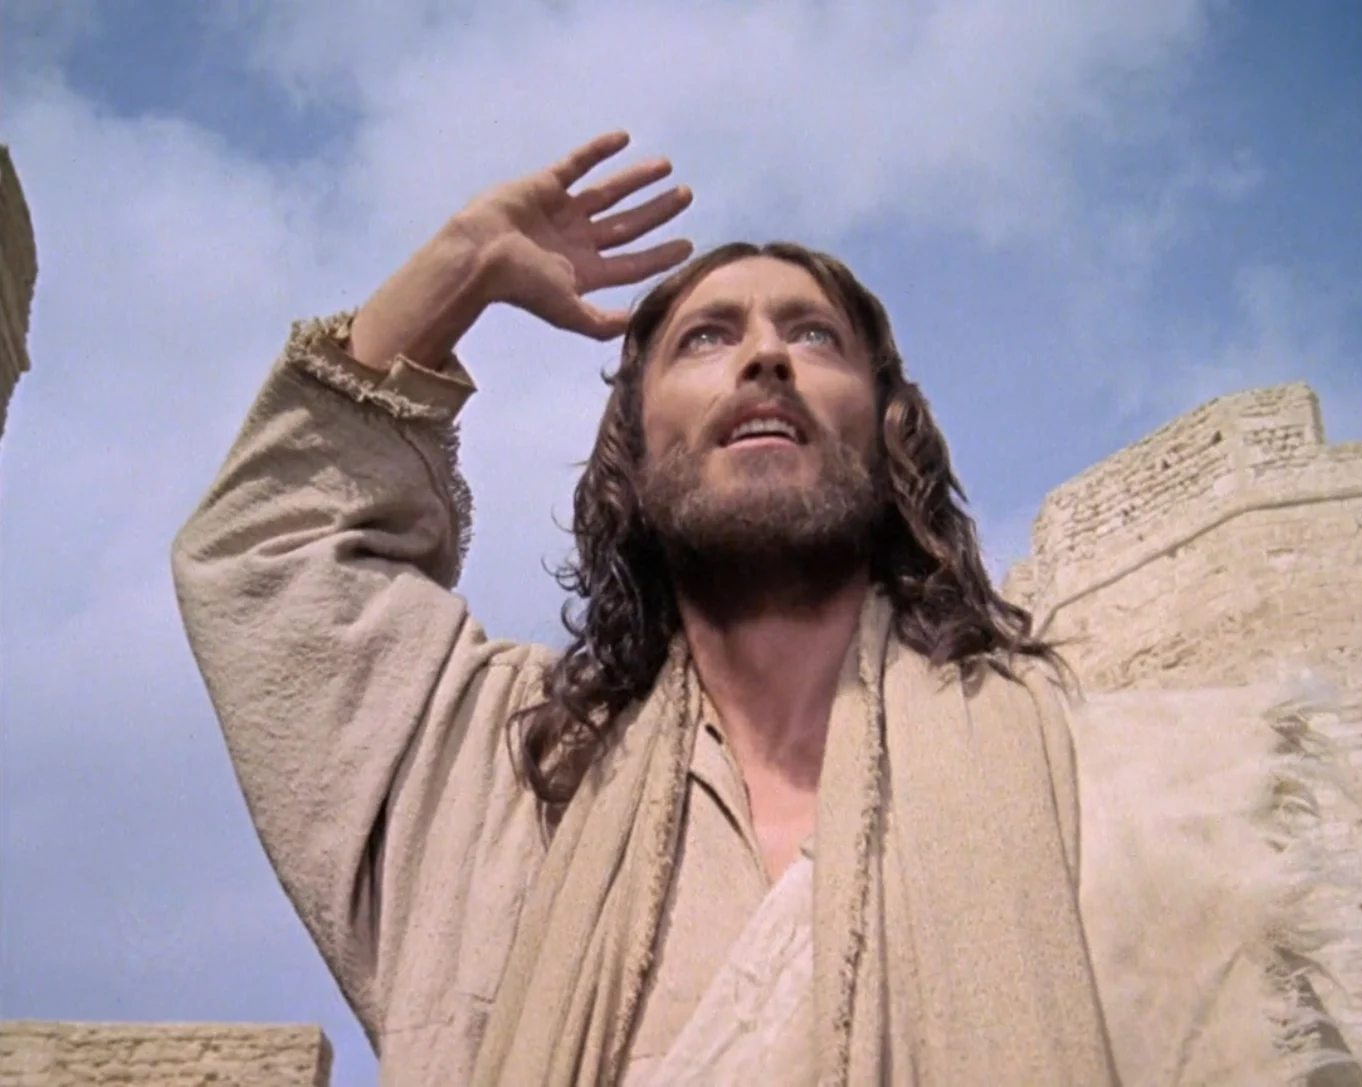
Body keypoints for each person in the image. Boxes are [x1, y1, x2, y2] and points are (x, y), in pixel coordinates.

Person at [174, 131, 1148, 1085]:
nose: (765, 357)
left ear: (887, 431)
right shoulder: (501, 779)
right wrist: (461, 263)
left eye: (812, 335)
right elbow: (274, 554)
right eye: (707, 337)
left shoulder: (1073, 766)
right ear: (632, 457)